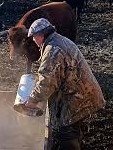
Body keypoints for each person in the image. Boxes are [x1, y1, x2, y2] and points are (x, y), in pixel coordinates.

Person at [24, 18, 106, 150]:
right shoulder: (59, 40)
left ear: (41, 35)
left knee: (65, 133)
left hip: (77, 97)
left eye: (34, 37)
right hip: (83, 93)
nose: (33, 40)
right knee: (72, 131)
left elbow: (47, 82)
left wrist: (32, 100)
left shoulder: (52, 50)